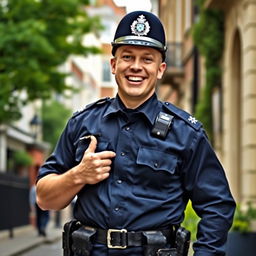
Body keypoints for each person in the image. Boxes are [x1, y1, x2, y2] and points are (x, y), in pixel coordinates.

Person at [36, 10, 236, 256]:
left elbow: (217, 205)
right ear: (113, 64)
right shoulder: (82, 124)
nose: (136, 67)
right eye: (127, 57)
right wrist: (79, 175)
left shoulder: (186, 133)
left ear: (160, 69)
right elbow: (45, 199)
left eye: (147, 59)